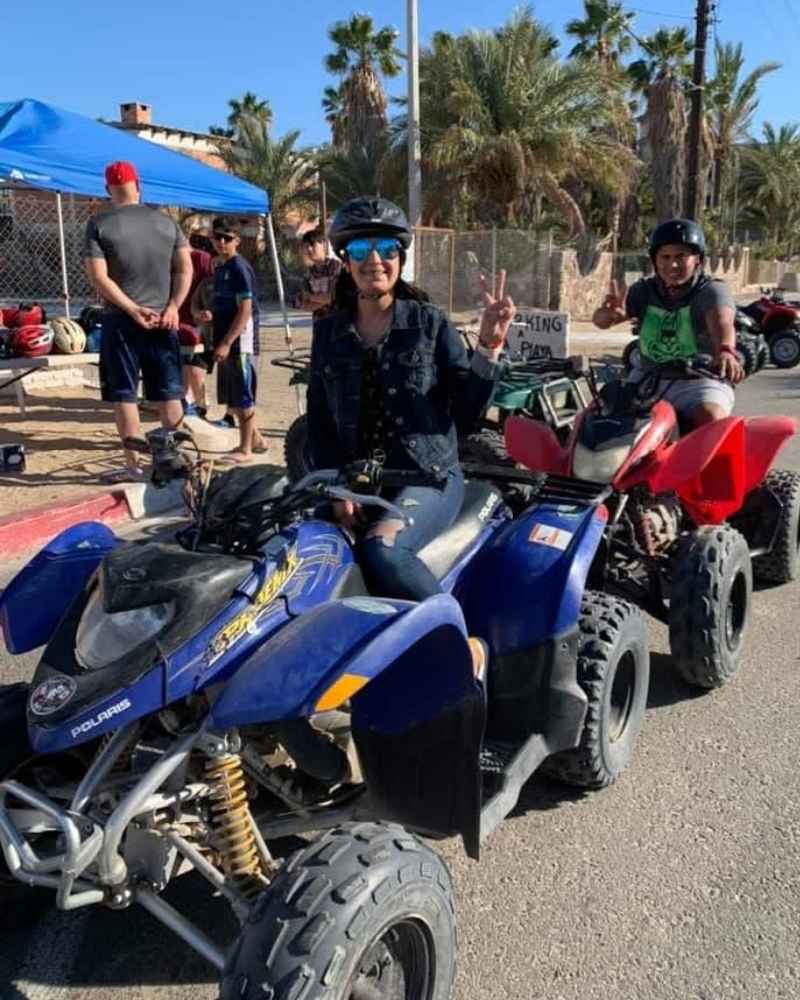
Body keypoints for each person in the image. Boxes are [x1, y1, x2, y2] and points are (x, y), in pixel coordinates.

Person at [306, 196, 515, 601]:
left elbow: (467, 415)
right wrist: (336, 492)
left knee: (382, 551)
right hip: (356, 480)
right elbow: (320, 424)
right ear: (345, 260)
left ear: (400, 257)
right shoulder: (327, 333)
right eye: (361, 250)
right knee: (299, 546)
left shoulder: (428, 323)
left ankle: (454, 636)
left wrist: (489, 347)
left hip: (428, 476)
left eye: (386, 249)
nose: (375, 261)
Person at [84, 160, 193, 481]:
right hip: (164, 319)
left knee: (124, 394)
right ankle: (171, 462)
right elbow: (184, 269)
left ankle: (133, 466)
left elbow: (98, 277)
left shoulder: (99, 224)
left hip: (121, 319)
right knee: (169, 393)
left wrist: (132, 309)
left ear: (108, 190)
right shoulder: (167, 223)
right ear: (138, 185)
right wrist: (174, 306)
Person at [593, 218, 744, 428]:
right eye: (665, 257)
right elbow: (600, 322)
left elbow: (722, 322)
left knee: (711, 420)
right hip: (648, 378)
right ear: (655, 260)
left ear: (697, 259)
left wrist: (725, 350)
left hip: (698, 381)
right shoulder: (644, 290)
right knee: (600, 414)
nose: (672, 264)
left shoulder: (711, 290)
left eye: (681, 256)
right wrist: (607, 315)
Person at [210, 217, 264, 462]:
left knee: (243, 395)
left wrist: (227, 342)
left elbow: (245, 310)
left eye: (227, 238)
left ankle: (246, 449)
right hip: (225, 337)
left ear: (237, 241)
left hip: (240, 341)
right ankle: (254, 439)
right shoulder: (221, 268)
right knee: (233, 395)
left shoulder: (239, 268)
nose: (222, 242)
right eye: (217, 237)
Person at [180, 249, 214, 418]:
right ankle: (188, 400)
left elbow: (207, 289)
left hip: (199, 322)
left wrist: (203, 313)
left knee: (195, 364)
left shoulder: (201, 259)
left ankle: (200, 403)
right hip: (179, 318)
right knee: (184, 362)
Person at [300, 228, 341, 320]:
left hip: (338, 320)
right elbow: (305, 305)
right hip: (318, 322)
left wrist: (311, 297)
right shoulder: (308, 273)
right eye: (306, 246)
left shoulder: (336, 267)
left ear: (324, 245)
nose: (309, 249)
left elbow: (335, 298)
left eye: (312, 245)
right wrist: (324, 299)